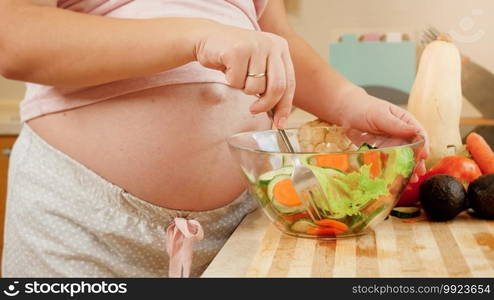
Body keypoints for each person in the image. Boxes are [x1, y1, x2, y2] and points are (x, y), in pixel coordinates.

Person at [0, 0, 428, 277]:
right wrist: (197, 36)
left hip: (235, 225)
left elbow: (279, 39)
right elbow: (14, 36)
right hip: (83, 221)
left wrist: (350, 103)